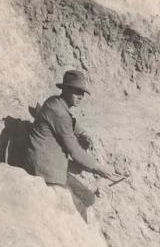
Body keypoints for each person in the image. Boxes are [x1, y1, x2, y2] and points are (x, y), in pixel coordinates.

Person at [24, 70, 120, 216]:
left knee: (88, 198)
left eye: (82, 93)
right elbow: (74, 150)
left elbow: (70, 123)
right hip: (45, 170)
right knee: (78, 208)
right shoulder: (59, 113)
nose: (80, 97)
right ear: (66, 89)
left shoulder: (54, 102)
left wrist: (81, 132)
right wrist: (98, 167)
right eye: (77, 92)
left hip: (54, 165)